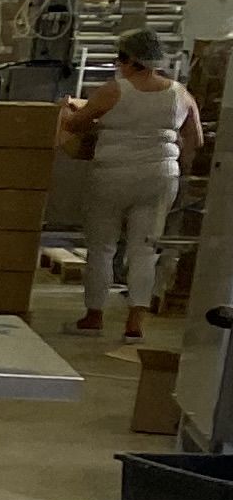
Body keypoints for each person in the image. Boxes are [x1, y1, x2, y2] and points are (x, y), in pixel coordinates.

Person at [60, 28, 204, 340]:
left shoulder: (114, 91)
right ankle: (135, 323)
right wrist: (180, 161)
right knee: (145, 249)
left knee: (102, 247)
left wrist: (71, 110)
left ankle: (94, 318)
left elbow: (76, 124)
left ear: (128, 60)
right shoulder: (180, 93)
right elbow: (196, 138)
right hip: (160, 176)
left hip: (111, 175)